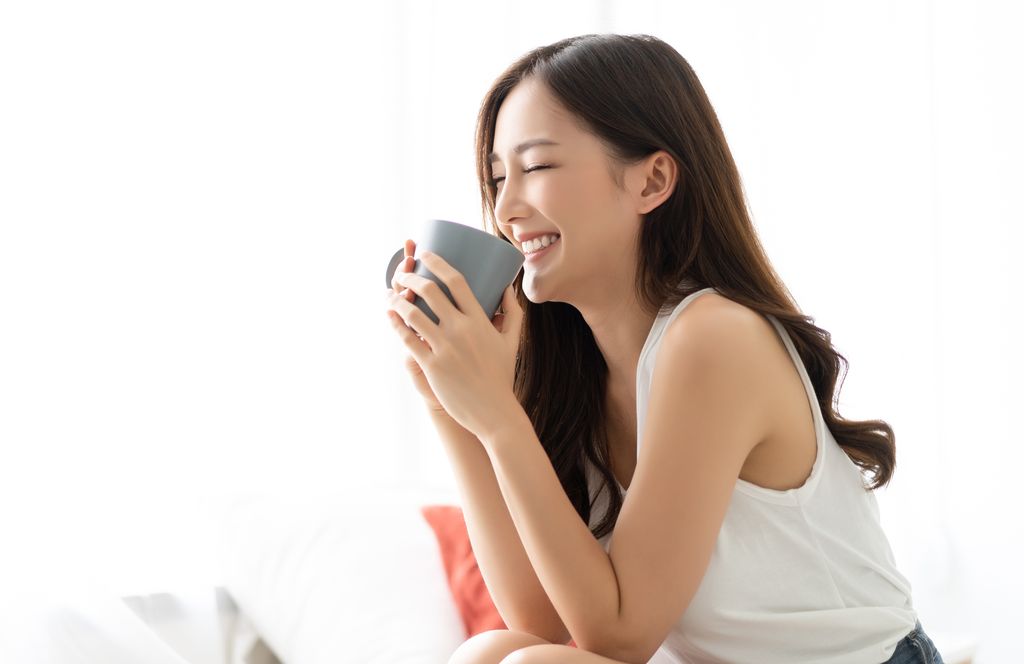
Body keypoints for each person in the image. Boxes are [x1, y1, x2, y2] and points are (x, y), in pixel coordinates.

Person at [386, 33, 944, 664]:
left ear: (652, 181)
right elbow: (539, 615)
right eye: (496, 177)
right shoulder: (576, 368)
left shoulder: (714, 338)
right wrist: (448, 401)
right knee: (493, 652)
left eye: (537, 167)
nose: (507, 208)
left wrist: (497, 416)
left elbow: (618, 637)